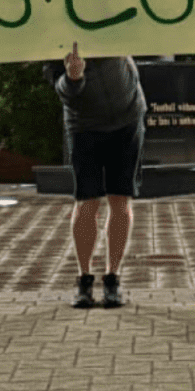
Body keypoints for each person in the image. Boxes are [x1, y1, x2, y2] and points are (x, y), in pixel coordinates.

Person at [46, 35, 147, 309]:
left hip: (127, 120)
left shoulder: (111, 14)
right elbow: (62, 90)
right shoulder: (53, 36)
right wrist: (73, 77)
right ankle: (84, 279)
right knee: (86, 202)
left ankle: (113, 278)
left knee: (120, 199)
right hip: (85, 127)